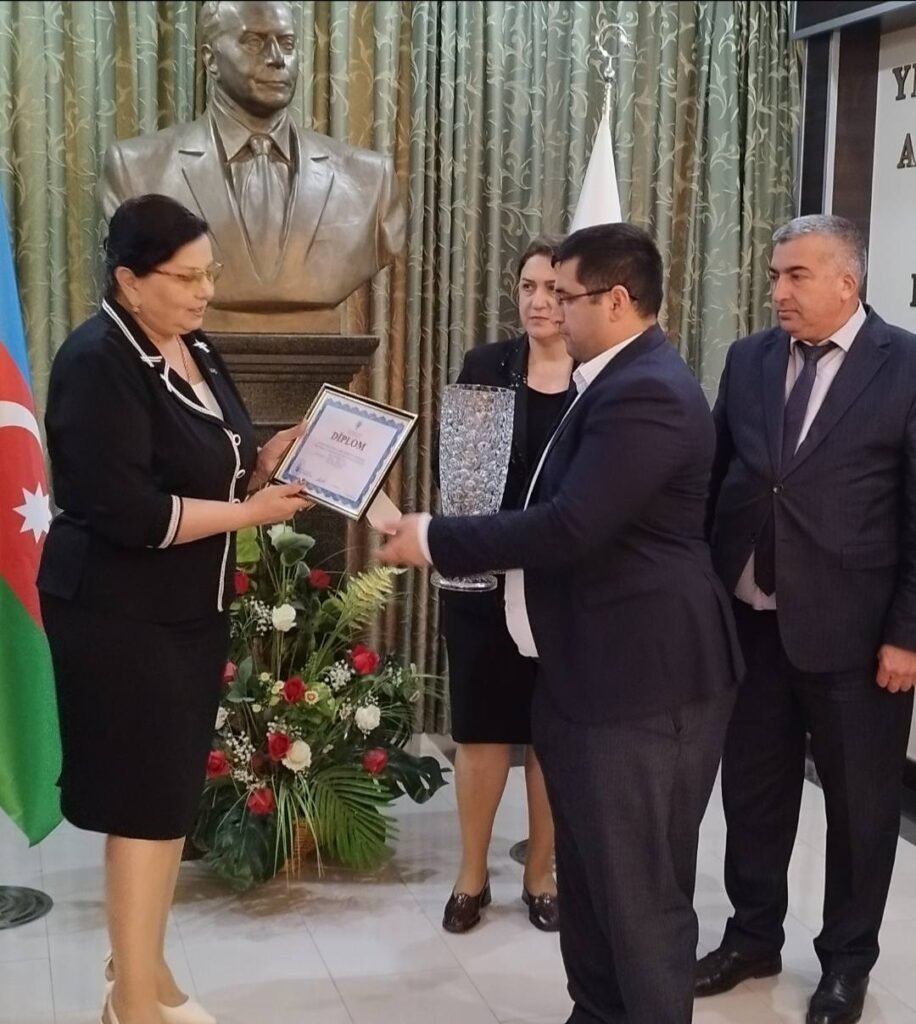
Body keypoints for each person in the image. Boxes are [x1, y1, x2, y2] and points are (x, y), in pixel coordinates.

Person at [377, 223, 744, 1024]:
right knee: (590, 877)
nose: (551, 310)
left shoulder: (647, 390)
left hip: (643, 682)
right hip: (585, 670)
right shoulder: (605, 381)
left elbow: (571, 525)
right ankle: (598, 1009)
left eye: (568, 295)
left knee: (638, 892)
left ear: (617, 300)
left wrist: (433, 537)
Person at [37, 194, 312, 1024]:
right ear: (129, 280)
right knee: (143, 806)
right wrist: (248, 513)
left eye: (209, 273)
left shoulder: (193, 343)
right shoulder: (96, 361)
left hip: (187, 607)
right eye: (186, 277)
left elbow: (213, 461)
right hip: (119, 613)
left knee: (168, 805)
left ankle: (145, 971)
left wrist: (264, 462)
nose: (205, 292)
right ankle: (131, 1004)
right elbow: (131, 512)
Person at [699, 214, 916, 1024]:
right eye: (774, 275)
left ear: (846, 283)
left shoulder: (906, 366)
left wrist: (907, 633)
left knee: (861, 810)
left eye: (795, 275)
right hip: (751, 625)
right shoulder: (749, 359)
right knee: (753, 795)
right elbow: (719, 478)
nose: (778, 292)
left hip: (858, 639)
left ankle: (846, 964)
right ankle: (753, 936)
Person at [100, 0, 405, 333]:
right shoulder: (137, 170)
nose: (277, 58)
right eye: (254, 42)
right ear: (210, 59)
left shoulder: (369, 180)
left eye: (287, 43)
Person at [439, 237, 572, 934]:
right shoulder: (485, 366)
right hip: (483, 579)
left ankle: (541, 874)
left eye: (554, 288)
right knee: (482, 729)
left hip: (565, 585)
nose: (538, 301)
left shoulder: (600, 376)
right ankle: (471, 875)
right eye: (527, 286)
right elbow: (461, 479)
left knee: (552, 733)